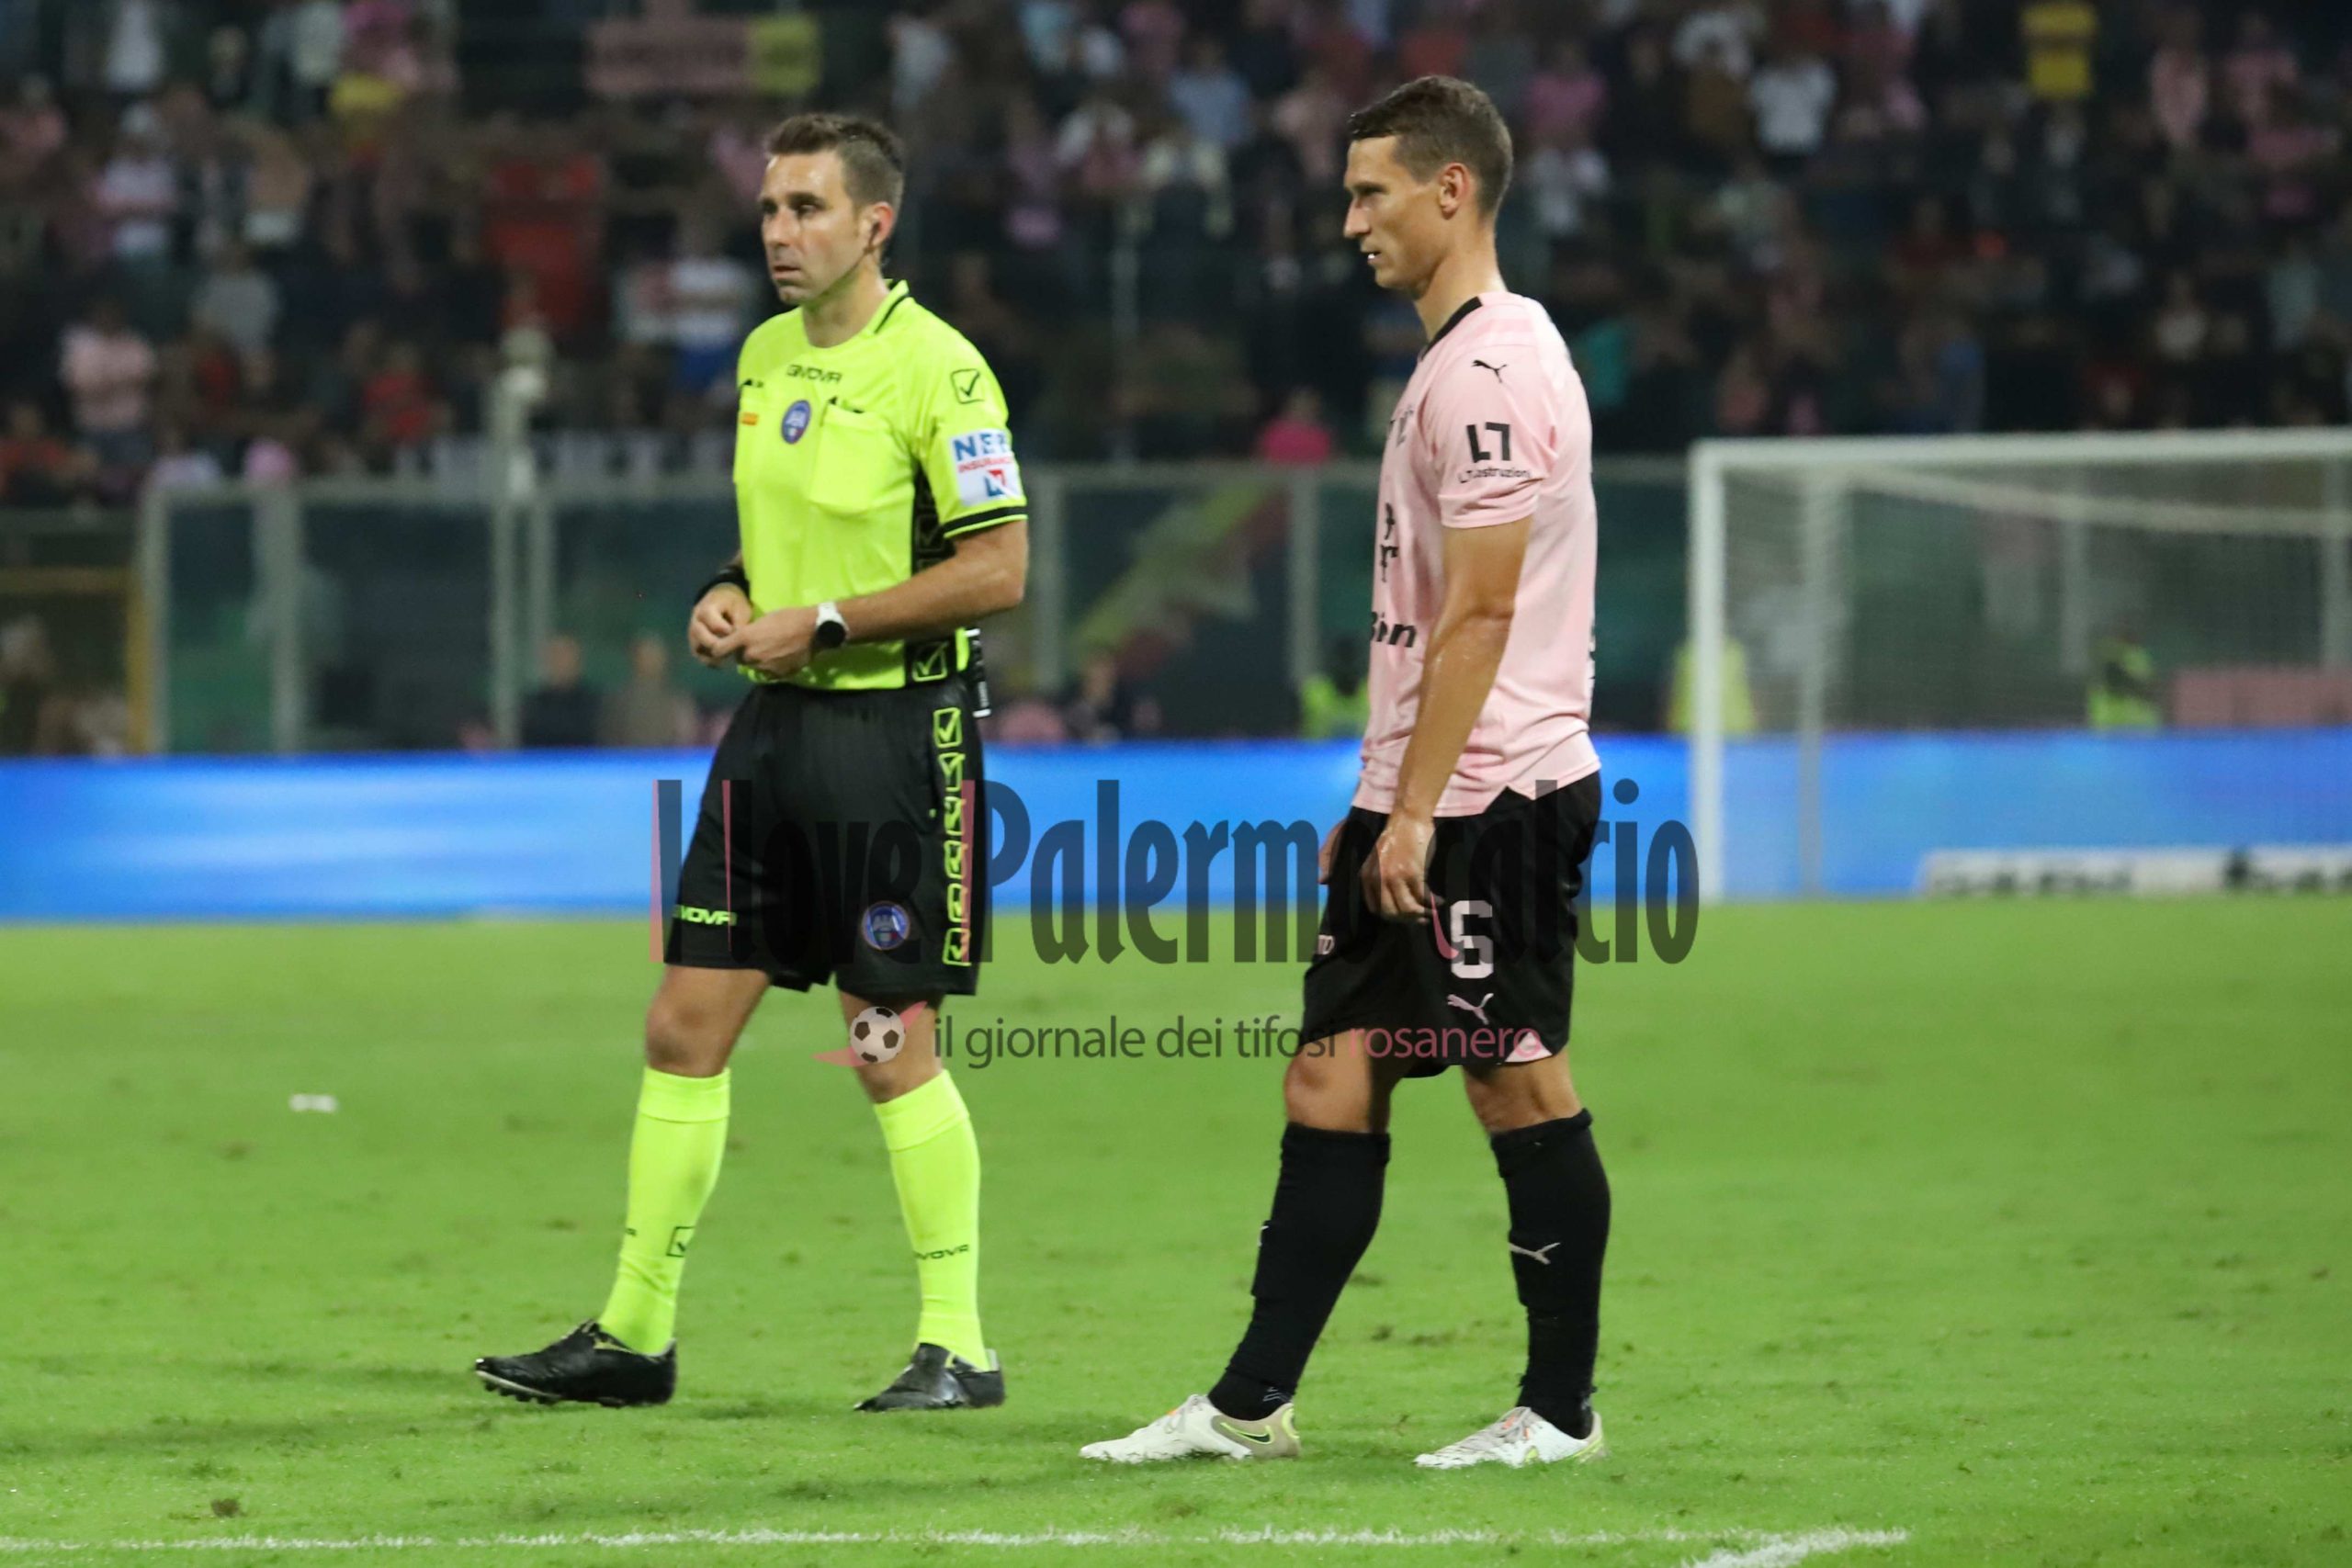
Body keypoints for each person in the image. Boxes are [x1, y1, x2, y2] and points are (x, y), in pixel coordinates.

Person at [1085, 76, 1611, 1471]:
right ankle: (1251, 1403)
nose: (1349, 221)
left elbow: (1485, 614)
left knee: (1515, 1076)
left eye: (1372, 192)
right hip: (1429, 787)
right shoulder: (1459, 357)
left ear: (1454, 191)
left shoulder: (1492, 373)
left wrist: (1423, 804)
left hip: (1494, 795)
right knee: (1330, 1072)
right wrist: (1384, 789)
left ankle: (1559, 1409)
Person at [476, 114, 1028, 1414]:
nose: (778, 233)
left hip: (897, 734)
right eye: (771, 209)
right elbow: (780, 540)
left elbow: (998, 569)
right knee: (681, 1022)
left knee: (887, 1038)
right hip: (773, 728)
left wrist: (827, 621)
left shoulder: (944, 375)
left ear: (874, 224)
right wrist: (730, 592)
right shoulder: (766, 355)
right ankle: (635, 1333)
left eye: (806, 209)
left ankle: (961, 1342)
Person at [600, 631, 698, 748]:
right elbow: (608, 739)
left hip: (667, 763)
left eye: (654, 655)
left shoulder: (678, 700)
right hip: (626, 762)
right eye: (644, 656)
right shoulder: (617, 701)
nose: (649, 661)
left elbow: (685, 740)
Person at [517, 633, 600, 748]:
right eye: (556, 655)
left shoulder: (594, 704)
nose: (561, 661)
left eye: (566, 655)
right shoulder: (534, 705)